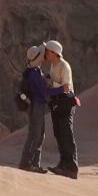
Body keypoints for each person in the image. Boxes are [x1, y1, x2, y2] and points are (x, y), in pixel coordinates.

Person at [18, 43, 66, 173]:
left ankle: (34, 164)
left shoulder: (36, 70)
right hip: (35, 106)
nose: (45, 55)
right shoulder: (33, 74)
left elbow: (43, 86)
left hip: (38, 106)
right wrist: (62, 89)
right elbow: (44, 92)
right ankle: (27, 164)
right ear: (37, 57)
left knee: (39, 135)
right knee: (35, 135)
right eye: (43, 54)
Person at [42, 40, 79, 179]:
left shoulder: (64, 66)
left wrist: (51, 86)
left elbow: (66, 88)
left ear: (54, 53)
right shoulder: (53, 65)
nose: (46, 54)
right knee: (58, 133)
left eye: (47, 51)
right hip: (57, 102)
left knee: (66, 133)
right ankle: (63, 165)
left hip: (65, 102)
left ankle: (71, 167)